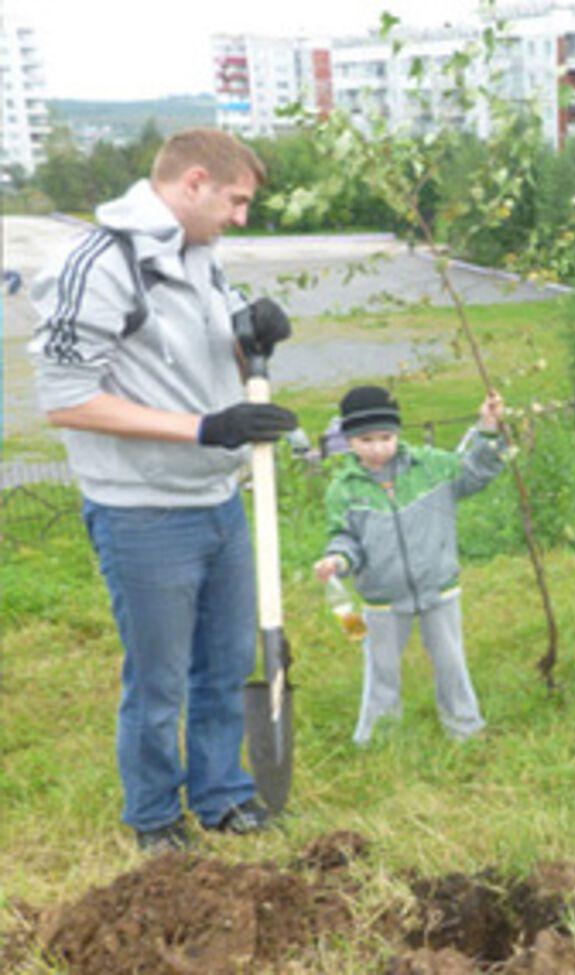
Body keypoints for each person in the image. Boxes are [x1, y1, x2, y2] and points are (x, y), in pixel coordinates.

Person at [27, 128, 298, 852]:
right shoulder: (98, 264)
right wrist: (205, 428)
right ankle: (153, 817)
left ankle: (221, 795)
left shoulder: (201, 254)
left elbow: (215, 351)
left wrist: (252, 336)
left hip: (217, 501)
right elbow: (66, 400)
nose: (241, 217)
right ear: (194, 182)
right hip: (142, 511)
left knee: (226, 664)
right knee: (158, 682)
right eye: (235, 201)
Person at [313, 385, 505, 745]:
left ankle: (465, 728)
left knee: (451, 663)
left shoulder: (430, 466)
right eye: (366, 440)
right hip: (382, 599)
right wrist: (337, 561)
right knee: (381, 669)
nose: (377, 448)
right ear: (349, 441)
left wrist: (488, 429)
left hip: (439, 588)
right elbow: (345, 538)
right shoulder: (344, 490)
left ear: (398, 434)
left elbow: (474, 472)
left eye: (386, 438)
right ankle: (378, 737)